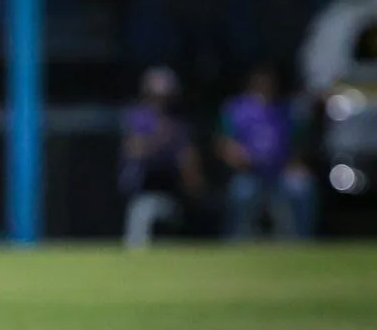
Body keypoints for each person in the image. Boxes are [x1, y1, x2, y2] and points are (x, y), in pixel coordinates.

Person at [217, 65, 316, 240]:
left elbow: (299, 146)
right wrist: (238, 157)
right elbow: (224, 144)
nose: (265, 84)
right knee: (242, 192)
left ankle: (301, 242)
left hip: (281, 173)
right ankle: (236, 241)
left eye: (269, 80)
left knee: (301, 187)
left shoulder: (288, 110)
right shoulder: (236, 109)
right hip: (249, 172)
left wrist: (295, 164)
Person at [118, 66, 204, 248]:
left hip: (172, 193)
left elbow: (189, 162)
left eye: (165, 97)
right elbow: (134, 149)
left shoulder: (179, 123)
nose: (160, 102)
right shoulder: (137, 117)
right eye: (155, 96)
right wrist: (160, 141)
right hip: (142, 191)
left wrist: (194, 186)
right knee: (143, 212)